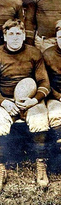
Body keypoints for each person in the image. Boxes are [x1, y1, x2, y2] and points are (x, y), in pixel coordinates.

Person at [0, 19, 50, 194]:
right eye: (11, 34)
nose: (15, 37)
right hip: (5, 100)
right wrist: (4, 102)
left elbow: (44, 82)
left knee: (40, 119)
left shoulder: (34, 53)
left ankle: (41, 165)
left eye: (18, 34)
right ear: (5, 36)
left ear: (23, 35)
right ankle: (0, 171)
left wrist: (34, 100)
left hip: (29, 100)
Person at [43, 20, 61, 154]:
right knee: (57, 114)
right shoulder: (48, 54)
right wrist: (59, 97)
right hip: (55, 96)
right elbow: (45, 83)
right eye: (60, 37)